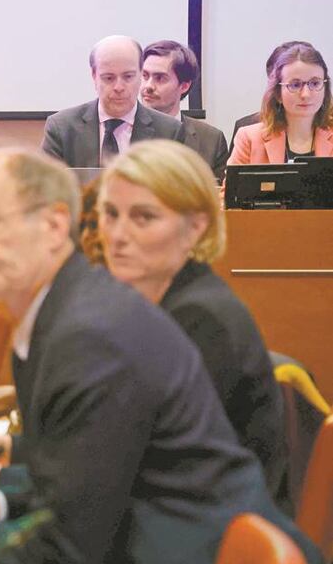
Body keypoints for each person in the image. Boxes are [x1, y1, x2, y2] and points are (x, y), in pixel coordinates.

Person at [0, 148, 327, 564]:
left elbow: (76, 545)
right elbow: (86, 473)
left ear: (56, 227)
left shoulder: (91, 329)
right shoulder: (64, 312)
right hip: (162, 563)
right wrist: (2, 499)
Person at [97, 139, 288, 510]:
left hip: (213, 538)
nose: (117, 235)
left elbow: (137, 462)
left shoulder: (201, 320)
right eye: (110, 213)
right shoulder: (150, 301)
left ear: (195, 227)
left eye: (143, 217)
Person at [42, 35, 184, 168]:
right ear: (94, 76)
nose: (119, 87)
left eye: (128, 77)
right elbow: (48, 190)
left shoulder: (169, 132)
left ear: (141, 74)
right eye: (109, 78)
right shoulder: (62, 128)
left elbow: (174, 191)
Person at [228, 42, 333, 164]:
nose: (306, 94)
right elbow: (232, 184)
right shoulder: (249, 138)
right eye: (295, 85)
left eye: (315, 83)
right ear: (278, 94)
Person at [140, 40, 229, 179]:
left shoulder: (211, 140)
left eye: (160, 78)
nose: (148, 86)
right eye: (145, 76)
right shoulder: (124, 129)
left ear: (184, 86)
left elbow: (217, 197)